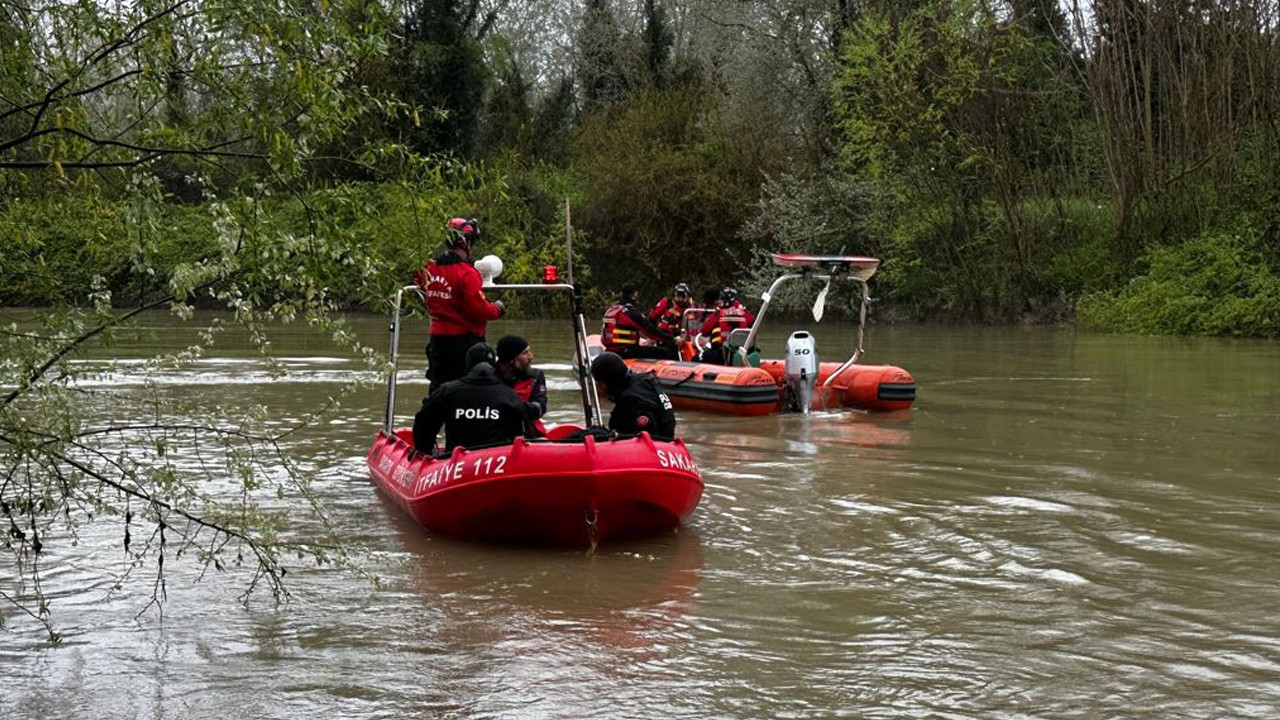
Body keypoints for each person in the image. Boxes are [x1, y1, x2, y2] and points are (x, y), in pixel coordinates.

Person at [413, 217, 505, 394]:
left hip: (437, 341)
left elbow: (421, 288)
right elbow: (478, 309)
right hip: (465, 343)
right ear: (465, 243)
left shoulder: (427, 269)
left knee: (438, 389)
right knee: (469, 391)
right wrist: (497, 309)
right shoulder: (467, 274)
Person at [412, 342, 528, 455]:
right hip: (497, 461)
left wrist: (425, 452)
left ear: (468, 365)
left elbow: (423, 423)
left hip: (454, 461)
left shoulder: (447, 391)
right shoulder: (510, 395)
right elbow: (519, 437)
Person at [589, 352, 677, 442]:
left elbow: (642, 439)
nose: (599, 387)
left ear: (610, 381)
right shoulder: (645, 381)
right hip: (665, 441)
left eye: (600, 382)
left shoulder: (632, 400)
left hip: (653, 445)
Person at [601, 283, 679, 360]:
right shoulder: (629, 312)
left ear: (621, 294)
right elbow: (650, 330)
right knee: (665, 353)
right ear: (635, 295)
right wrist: (672, 339)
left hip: (610, 350)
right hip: (626, 352)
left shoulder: (611, 309)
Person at [495, 334, 547, 437]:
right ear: (511, 359)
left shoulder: (535, 376)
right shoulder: (490, 377)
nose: (531, 357)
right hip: (496, 430)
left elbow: (540, 408)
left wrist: (511, 406)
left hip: (527, 431)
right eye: (525, 353)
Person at [699, 286, 756, 366]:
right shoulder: (744, 313)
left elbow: (704, 331)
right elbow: (752, 321)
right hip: (741, 351)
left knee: (697, 358)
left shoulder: (718, 314)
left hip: (720, 353)